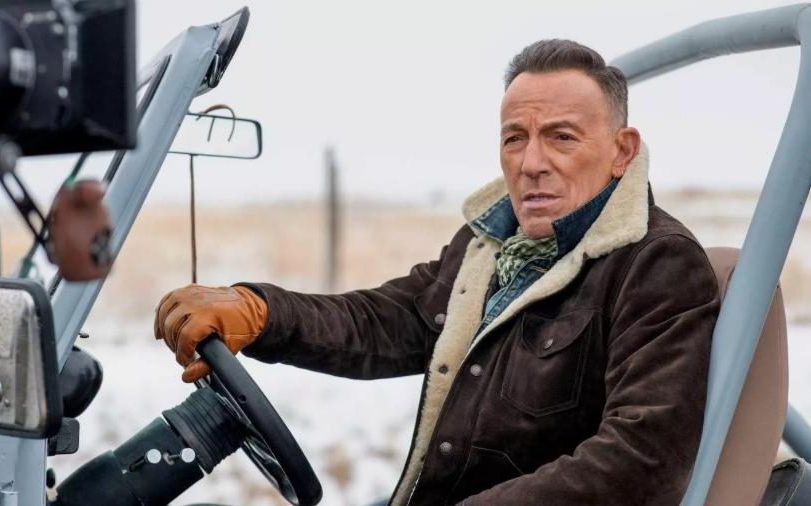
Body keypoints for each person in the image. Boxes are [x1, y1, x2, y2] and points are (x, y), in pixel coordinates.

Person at [154, 39, 719, 505]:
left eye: (562, 137)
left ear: (622, 151)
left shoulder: (655, 264)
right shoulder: (490, 247)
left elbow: (642, 458)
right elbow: (388, 321)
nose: (531, 163)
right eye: (515, 138)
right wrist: (261, 313)